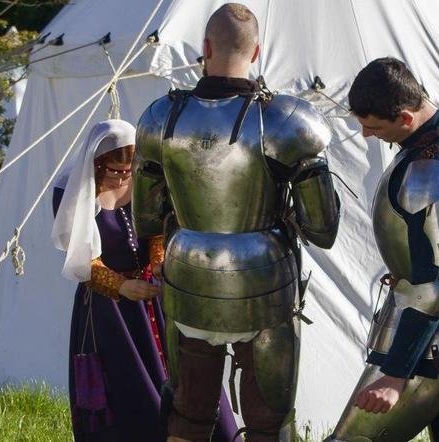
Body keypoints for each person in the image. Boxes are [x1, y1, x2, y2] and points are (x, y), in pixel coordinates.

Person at [132, 4, 341, 441]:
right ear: (258, 51)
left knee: (188, 415)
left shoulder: (161, 117)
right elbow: (323, 229)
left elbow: (147, 218)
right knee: (268, 423)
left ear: (204, 48)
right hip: (261, 286)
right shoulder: (284, 120)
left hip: (188, 277)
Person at [327, 58, 439, 441]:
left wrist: (395, 375)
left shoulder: (432, 170)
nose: (367, 135)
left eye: (373, 126)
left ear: (406, 117)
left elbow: (434, 288)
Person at [51, 120, 239, 441]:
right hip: (109, 314)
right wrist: (121, 286)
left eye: (128, 171)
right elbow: (81, 260)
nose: (122, 178)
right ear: (97, 164)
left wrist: (158, 260)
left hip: (157, 297)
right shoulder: (71, 192)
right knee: (132, 398)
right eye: (114, 171)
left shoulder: (146, 181)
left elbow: (157, 229)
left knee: (192, 380)